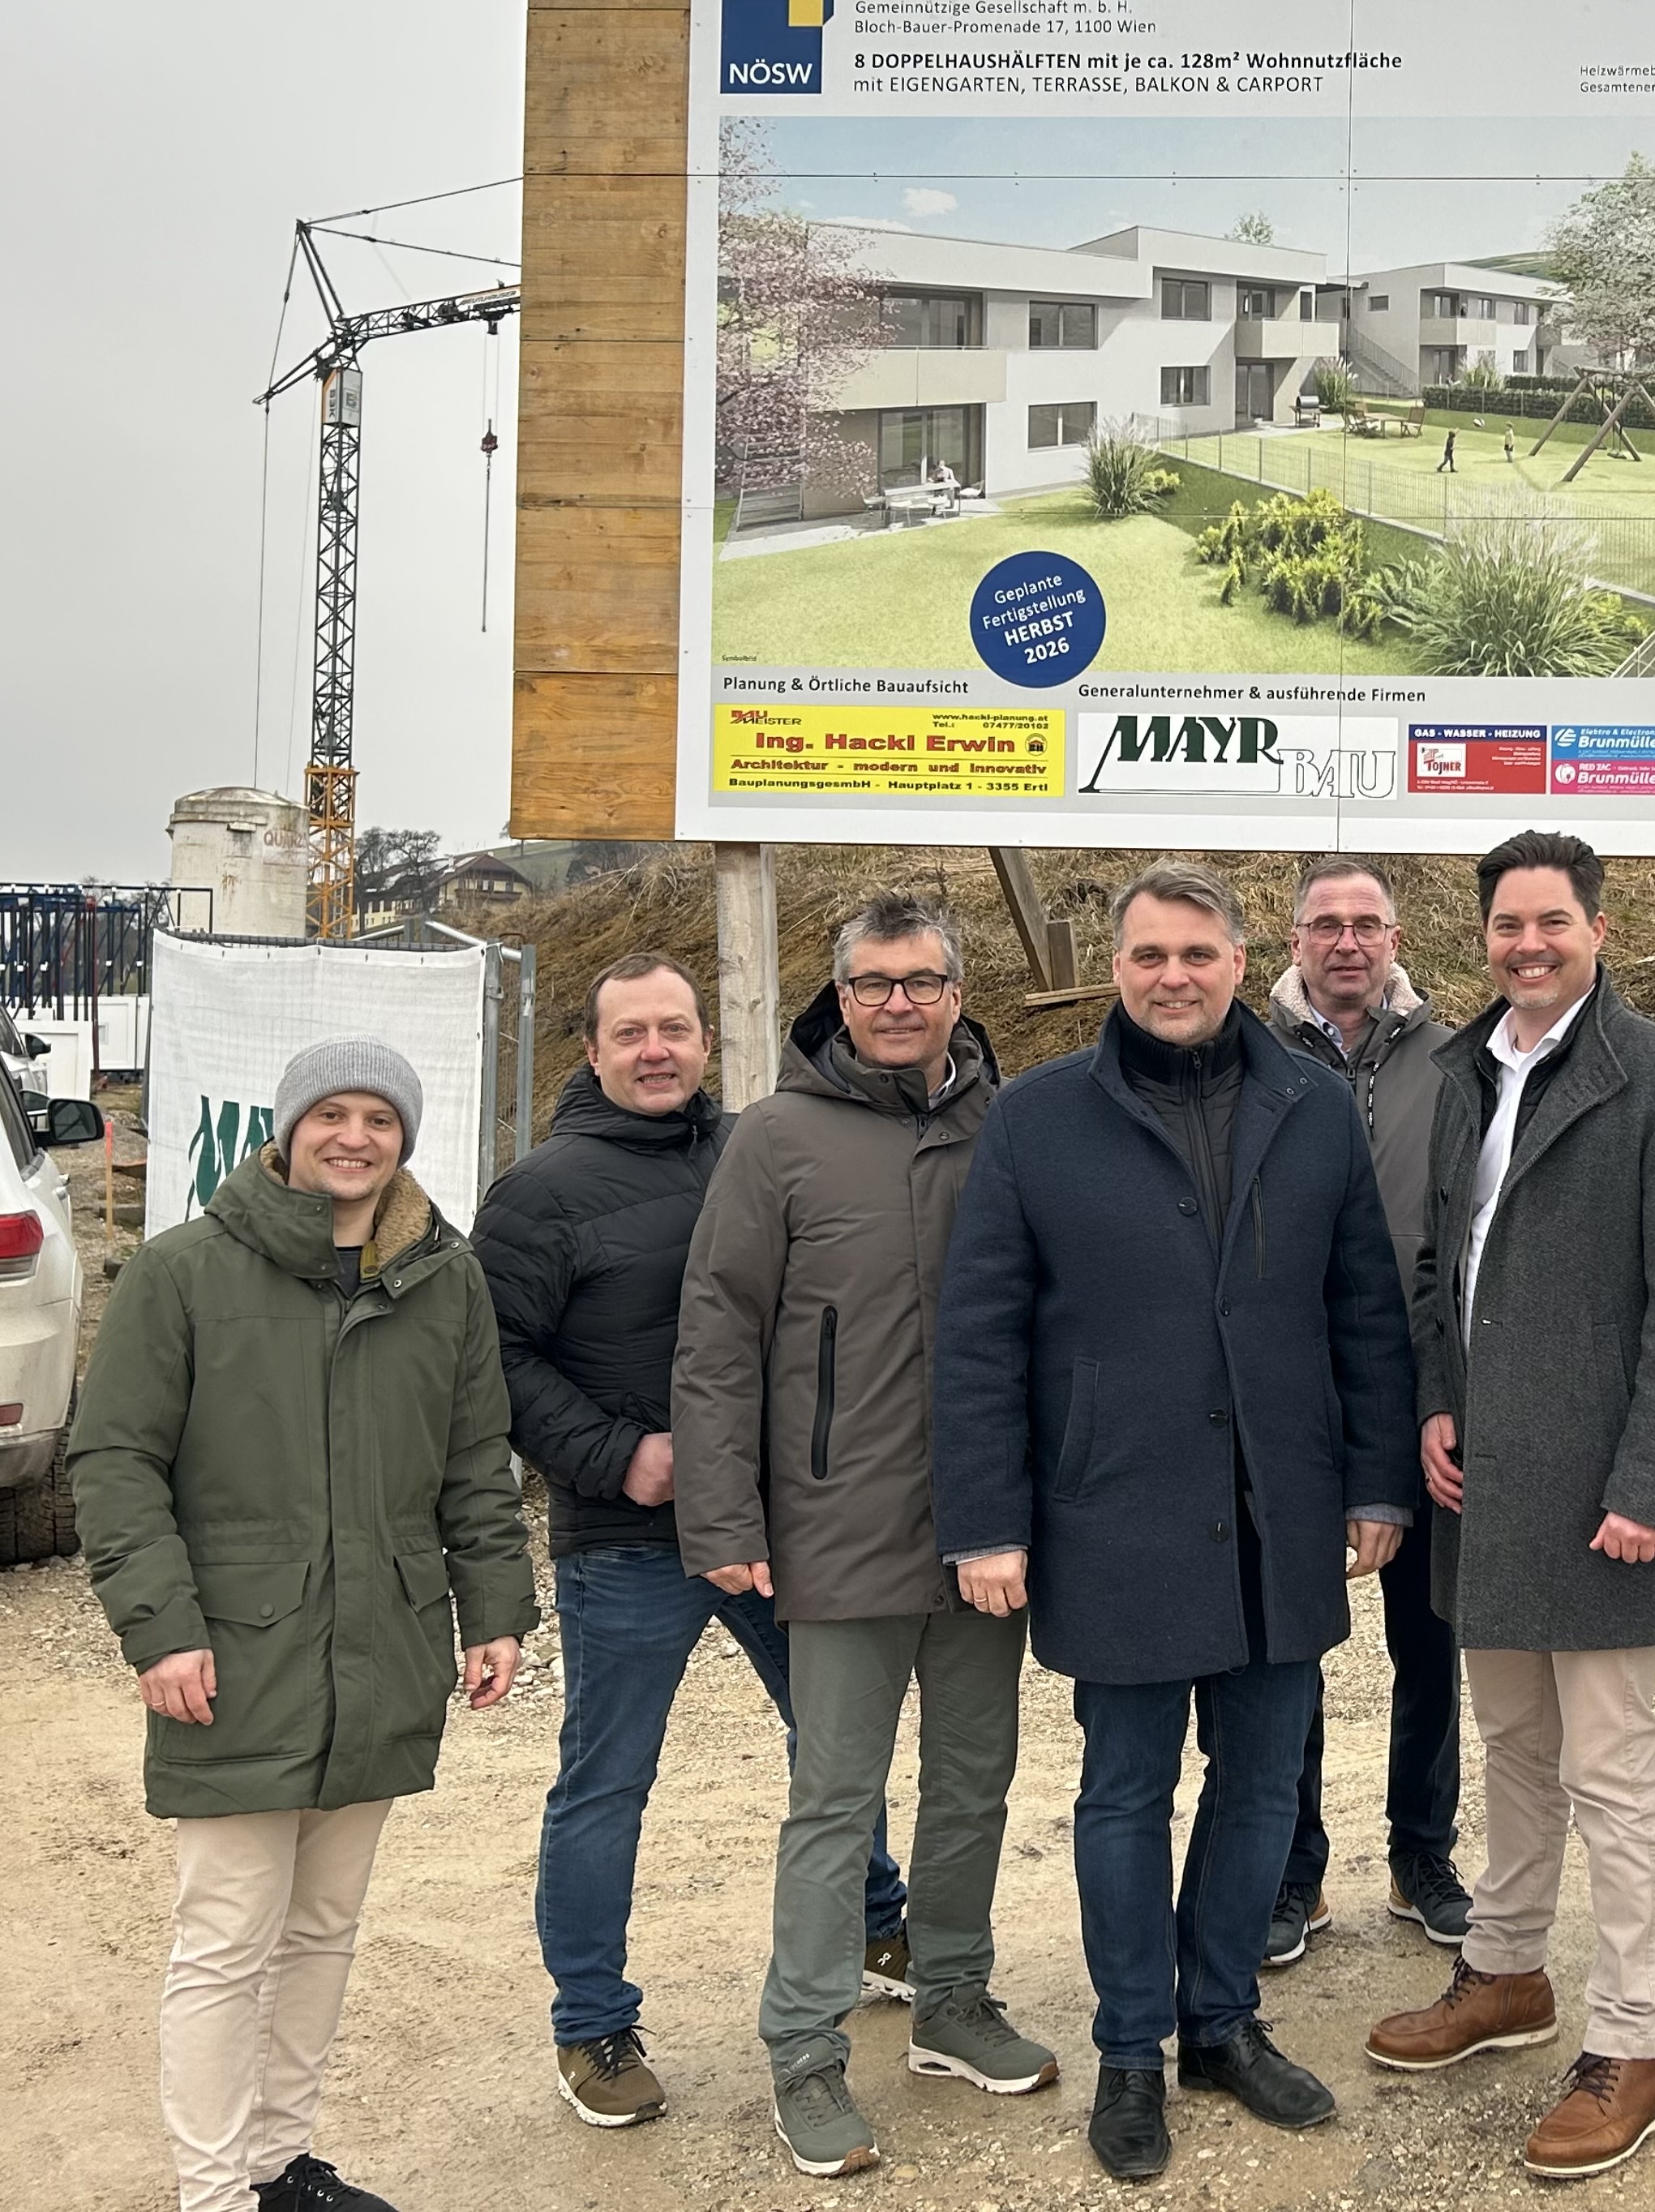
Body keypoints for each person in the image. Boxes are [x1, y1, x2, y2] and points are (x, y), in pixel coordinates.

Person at [933, 860, 1418, 2184]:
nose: (1172, 977)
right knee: (1124, 1794)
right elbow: (977, 1339)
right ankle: (1131, 2050)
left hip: (1278, 1509)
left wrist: (1374, 1481)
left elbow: (1364, 1311)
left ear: (1240, 961)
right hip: (1115, 1512)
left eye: (1197, 954)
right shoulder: (1035, 1119)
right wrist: (985, 1522)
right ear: (1116, 967)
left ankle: (1221, 2024)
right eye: (1148, 955)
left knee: (1260, 1785)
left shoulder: (1311, 1107)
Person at [70, 1040, 535, 2212]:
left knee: (324, 1926)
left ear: (405, 1139)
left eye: (380, 1118)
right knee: (227, 1938)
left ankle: (279, 2165)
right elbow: (116, 1461)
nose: (354, 1138)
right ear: (287, 1132)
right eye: (330, 1114)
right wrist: (161, 1628)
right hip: (236, 1654)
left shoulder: (444, 1279)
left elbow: (475, 1461)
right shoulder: (182, 1271)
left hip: (384, 1648)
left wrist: (493, 1608)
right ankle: (214, 2193)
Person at [470, 953, 909, 2131]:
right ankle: (591, 2024)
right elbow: (492, 1358)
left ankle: (877, 1921)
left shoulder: (754, 1149)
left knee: (836, 1739)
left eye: (674, 1028)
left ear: (707, 1041)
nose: (655, 1050)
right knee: (608, 1779)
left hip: (774, 1522)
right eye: (631, 1034)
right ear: (592, 1050)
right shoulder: (538, 1194)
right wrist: (615, 1454)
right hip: (627, 1537)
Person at [1366, 831, 1655, 2184]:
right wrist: (1432, 1403)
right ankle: (1506, 1970)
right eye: (1506, 925)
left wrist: (1650, 1483)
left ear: (1597, 928)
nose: (1527, 945)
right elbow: (1440, 1263)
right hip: (1488, 1482)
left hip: (1600, 1494)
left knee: (1611, 1769)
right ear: (1482, 938)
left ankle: (1631, 2044)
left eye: (1551, 922)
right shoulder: (1466, 1067)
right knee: (1514, 1745)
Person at [672, 894, 1052, 2182]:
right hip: (837, 1527)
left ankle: (951, 1999)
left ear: (957, 994)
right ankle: (803, 2047)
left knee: (974, 1780)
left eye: (921, 981)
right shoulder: (775, 1138)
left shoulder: (1012, 1126)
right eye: (874, 983)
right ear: (838, 998)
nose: (898, 1003)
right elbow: (718, 1336)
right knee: (835, 1800)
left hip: (986, 1528)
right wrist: (723, 1514)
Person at [1263, 856, 1467, 1961]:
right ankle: (1292, 1870)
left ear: (1396, 938)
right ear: (1293, 940)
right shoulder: (1244, 1058)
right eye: (1326, 923)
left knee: (1430, 1644)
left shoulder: (1461, 1061)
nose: (1347, 941)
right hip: (1288, 1399)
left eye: (1366, 923)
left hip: (1426, 1392)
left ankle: (1420, 1853)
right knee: (1287, 1648)